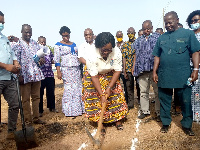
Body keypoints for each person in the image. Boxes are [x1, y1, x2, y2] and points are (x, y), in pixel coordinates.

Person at [153, 11, 200, 136]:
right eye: (166, 23)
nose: (168, 25)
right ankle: (165, 123)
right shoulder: (161, 37)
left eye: (170, 22)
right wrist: (154, 72)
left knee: (185, 101)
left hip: (183, 75)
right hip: (164, 75)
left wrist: (195, 70)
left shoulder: (188, 34)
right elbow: (157, 55)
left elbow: (195, 52)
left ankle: (187, 125)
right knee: (164, 100)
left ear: (177, 20)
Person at [83, 32, 128, 132]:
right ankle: (100, 123)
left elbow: (117, 70)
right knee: (95, 98)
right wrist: (101, 94)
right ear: (98, 47)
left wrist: (109, 88)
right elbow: (94, 77)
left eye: (109, 50)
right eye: (104, 50)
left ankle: (118, 120)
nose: (107, 52)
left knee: (115, 95)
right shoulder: (91, 54)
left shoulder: (116, 51)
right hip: (94, 76)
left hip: (110, 73)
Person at [11, 24, 45, 125]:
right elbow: (15, 60)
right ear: (21, 31)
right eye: (26, 32)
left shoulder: (35, 43)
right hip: (24, 75)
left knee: (36, 97)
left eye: (30, 32)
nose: (28, 34)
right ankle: (27, 121)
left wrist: (41, 59)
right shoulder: (17, 44)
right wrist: (19, 75)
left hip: (36, 74)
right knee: (25, 99)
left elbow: (40, 55)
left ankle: (36, 118)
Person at [132, 20, 160, 120]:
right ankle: (145, 111)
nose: (146, 31)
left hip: (154, 70)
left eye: (148, 28)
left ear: (152, 28)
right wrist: (134, 68)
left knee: (157, 92)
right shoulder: (138, 40)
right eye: (144, 29)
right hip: (142, 70)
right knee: (143, 92)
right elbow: (135, 55)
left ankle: (158, 112)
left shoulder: (157, 38)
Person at [54, 26, 84, 118]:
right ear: (61, 35)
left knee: (78, 88)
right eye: (64, 36)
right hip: (66, 69)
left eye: (67, 35)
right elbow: (56, 59)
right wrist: (59, 71)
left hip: (76, 69)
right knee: (69, 89)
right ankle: (70, 110)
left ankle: (79, 109)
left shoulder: (74, 44)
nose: (66, 37)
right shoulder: (58, 45)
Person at [0, 11, 20, 139]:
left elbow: (12, 54)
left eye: (3, 23)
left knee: (15, 104)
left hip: (9, 77)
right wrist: (6, 66)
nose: (2, 25)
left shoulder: (4, 37)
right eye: (0, 22)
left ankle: (11, 131)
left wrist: (16, 63)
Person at [38, 36, 57, 117]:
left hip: (49, 74)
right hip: (40, 75)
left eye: (44, 42)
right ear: (38, 42)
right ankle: (40, 110)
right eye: (41, 42)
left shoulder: (48, 50)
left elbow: (53, 59)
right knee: (40, 93)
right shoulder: (36, 50)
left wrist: (56, 60)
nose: (43, 43)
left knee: (51, 92)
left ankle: (52, 107)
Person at [186, 10, 200, 122]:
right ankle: (195, 116)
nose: (193, 23)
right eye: (191, 21)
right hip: (191, 68)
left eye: (196, 20)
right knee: (193, 94)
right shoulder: (190, 36)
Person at [122, 27, 136, 109]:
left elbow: (136, 56)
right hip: (128, 69)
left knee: (139, 87)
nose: (130, 34)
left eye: (132, 32)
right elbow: (124, 57)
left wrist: (134, 67)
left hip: (138, 68)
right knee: (129, 87)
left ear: (135, 33)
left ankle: (141, 103)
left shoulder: (138, 42)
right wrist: (124, 70)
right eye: (128, 33)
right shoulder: (125, 44)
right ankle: (130, 104)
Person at [115, 30, 128, 102]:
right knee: (117, 85)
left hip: (123, 69)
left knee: (125, 85)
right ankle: (118, 100)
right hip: (116, 69)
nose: (119, 38)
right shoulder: (114, 46)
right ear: (116, 37)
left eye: (120, 36)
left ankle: (126, 100)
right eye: (118, 36)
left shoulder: (125, 45)